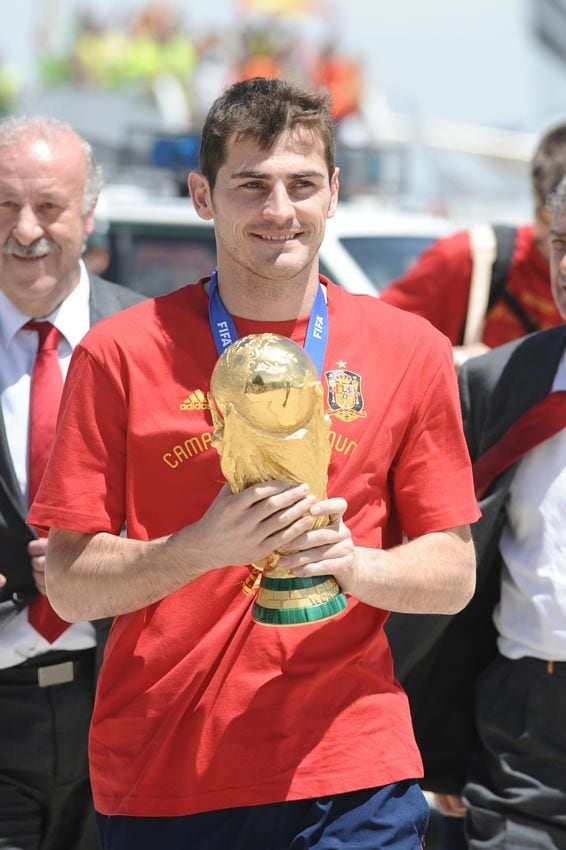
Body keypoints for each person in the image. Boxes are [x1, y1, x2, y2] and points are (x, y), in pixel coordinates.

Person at [28, 77, 479, 850]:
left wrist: (353, 564)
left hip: (349, 773)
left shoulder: (412, 351)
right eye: (251, 186)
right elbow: (68, 584)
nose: (279, 210)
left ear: (334, 192)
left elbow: (453, 572)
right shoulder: (121, 352)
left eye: (302, 184)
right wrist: (201, 547)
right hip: (166, 773)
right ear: (203, 196)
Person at [387, 176, 566, 848]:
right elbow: (461, 560)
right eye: (561, 243)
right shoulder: (502, 382)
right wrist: (444, 747)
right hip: (526, 724)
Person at [0, 117, 143, 850]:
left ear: (88, 215)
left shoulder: (157, 338)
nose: (26, 230)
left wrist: (111, 559)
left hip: (132, 701)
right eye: (4, 206)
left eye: (50, 207)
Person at [380, 122, 566, 369]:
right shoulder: (471, 257)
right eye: (559, 239)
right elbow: (378, 340)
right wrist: (459, 364)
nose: (563, 265)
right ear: (537, 200)